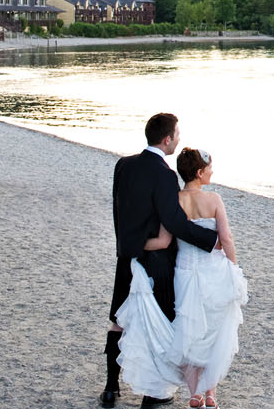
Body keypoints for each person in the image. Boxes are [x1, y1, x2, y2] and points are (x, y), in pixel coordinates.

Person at [105, 113, 219, 408]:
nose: (179, 139)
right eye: (177, 134)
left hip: (127, 254)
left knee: (119, 319)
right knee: (158, 322)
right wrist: (211, 240)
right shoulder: (165, 174)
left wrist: (127, 245)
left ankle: (110, 387)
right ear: (167, 139)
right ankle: (153, 391)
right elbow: (174, 221)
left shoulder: (124, 165)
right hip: (155, 259)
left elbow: (118, 211)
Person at [162, 148, 246, 408]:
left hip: (185, 271)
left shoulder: (174, 199)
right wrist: (234, 269)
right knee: (213, 329)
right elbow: (226, 239)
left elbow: (168, 239)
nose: (212, 172)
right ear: (199, 173)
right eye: (209, 168)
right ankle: (210, 393)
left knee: (189, 330)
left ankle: (194, 393)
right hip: (214, 272)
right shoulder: (214, 200)